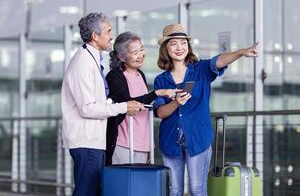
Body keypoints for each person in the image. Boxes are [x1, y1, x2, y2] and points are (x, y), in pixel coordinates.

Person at [153, 23, 258, 196]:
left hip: (198, 139)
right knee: (174, 191)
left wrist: (240, 52)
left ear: (188, 46)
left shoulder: (200, 70)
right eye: (173, 43)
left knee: (197, 189)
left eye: (183, 42)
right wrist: (176, 103)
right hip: (170, 140)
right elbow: (160, 113)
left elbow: (220, 60)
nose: (179, 47)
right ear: (166, 48)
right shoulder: (161, 80)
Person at [61, 13, 144, 196]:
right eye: (108, 31)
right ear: (95, 36)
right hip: (86, 140)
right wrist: (123, 107)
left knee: (93, 191)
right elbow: (87, 108)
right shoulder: (82, 63)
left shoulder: (92, 60)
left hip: (94, 140)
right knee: (87, 192)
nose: (111, 36)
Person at [105, 31, 179, 165]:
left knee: (140, 184)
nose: (140, 55)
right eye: (135, 52)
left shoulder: (140, 74)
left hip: (143, 142)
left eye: (142, 50)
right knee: (123, 183)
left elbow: (143, 101)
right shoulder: (115, 76)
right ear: (122, 57)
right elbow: (128, 103)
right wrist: (156, 93)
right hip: (125, 142)